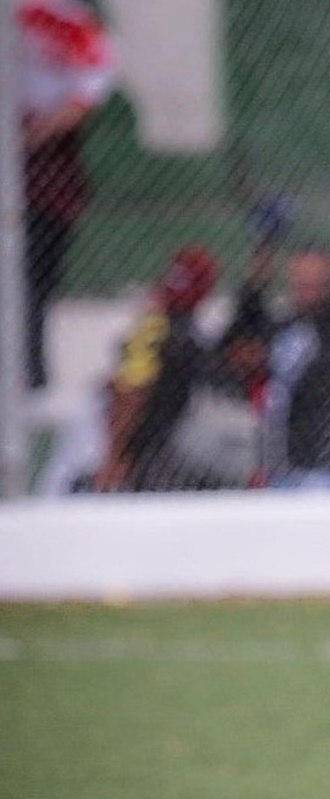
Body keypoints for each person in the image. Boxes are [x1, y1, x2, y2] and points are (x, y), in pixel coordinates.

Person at [18, 0, 115, 389]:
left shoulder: (71, 25)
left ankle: (29, 376)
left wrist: (30, 137)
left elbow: (86, 92)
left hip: (45, 179)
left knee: (35, 283)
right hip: (34, 165)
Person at [92, 245, 220, 492]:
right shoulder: (158, 327)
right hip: (145, 452)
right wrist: (115, 455)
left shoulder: (175, 328)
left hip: (162, 447)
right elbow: (130, 393)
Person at [263, 243, 330, 488]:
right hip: (281, 460)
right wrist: (256, 282)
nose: (303, 282)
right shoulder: (286, 324)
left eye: (312, 275)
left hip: (325, 461)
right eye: (297, 274)